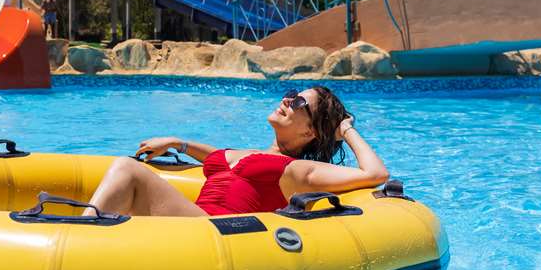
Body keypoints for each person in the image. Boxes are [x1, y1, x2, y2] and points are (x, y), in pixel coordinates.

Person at [83, 87, 388, 217]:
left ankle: (81, 236)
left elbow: (375, 174)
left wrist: (345, 129)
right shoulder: (253, 154)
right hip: (190, 223)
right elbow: (219, 158)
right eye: (291, 95)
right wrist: (178, 143)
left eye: (298, 103)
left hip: (210, 232)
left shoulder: (295, 169)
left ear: (310, 132)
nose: (287, 100)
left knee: (128, 169)